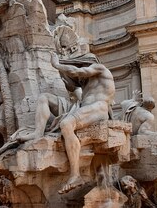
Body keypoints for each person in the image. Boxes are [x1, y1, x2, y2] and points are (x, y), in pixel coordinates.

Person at [18, 51, 115, 194]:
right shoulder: (86, 82)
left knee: (66, 124)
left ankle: (75, 175)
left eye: (80, 64)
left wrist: (57, 65)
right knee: (45, 98)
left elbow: (77, 71)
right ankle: (38, 133)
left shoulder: (100, 68)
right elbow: (73, 84)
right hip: (81, 107)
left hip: (99, 108)